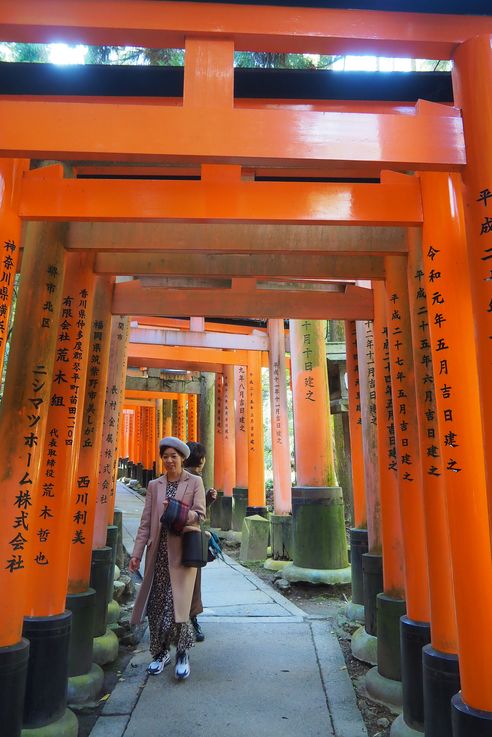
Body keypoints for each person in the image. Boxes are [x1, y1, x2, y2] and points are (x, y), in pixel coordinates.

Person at [129, 436, 206, 680]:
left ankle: (182, 653)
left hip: (182, 553)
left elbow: (200, 515)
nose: (169, 460)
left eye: (174, 456)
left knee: (179, 605)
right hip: (158, 553)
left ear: (182, 458)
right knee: (156, 604)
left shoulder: (194, 482)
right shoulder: (154, 485)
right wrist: (137, 553)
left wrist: (178, 511)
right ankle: (160, 653)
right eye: (165, 456)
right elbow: (145, 522)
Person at [184, 441, 218, 642]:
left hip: (178, 535)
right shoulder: (195, 478)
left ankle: (183, 620)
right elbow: (196, 514)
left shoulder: (178, 476)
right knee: (193, 580)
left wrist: (207, 501)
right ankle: (191, 620)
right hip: (191, 537)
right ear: (201, 460)